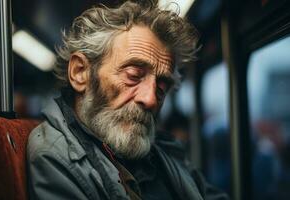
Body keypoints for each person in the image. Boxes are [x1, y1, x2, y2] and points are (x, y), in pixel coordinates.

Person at [27, 1, 229, 199]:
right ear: (81, 72)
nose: (150, 99)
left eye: (161, 88)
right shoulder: (56, 157)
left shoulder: (165, 152)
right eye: (133, 75)